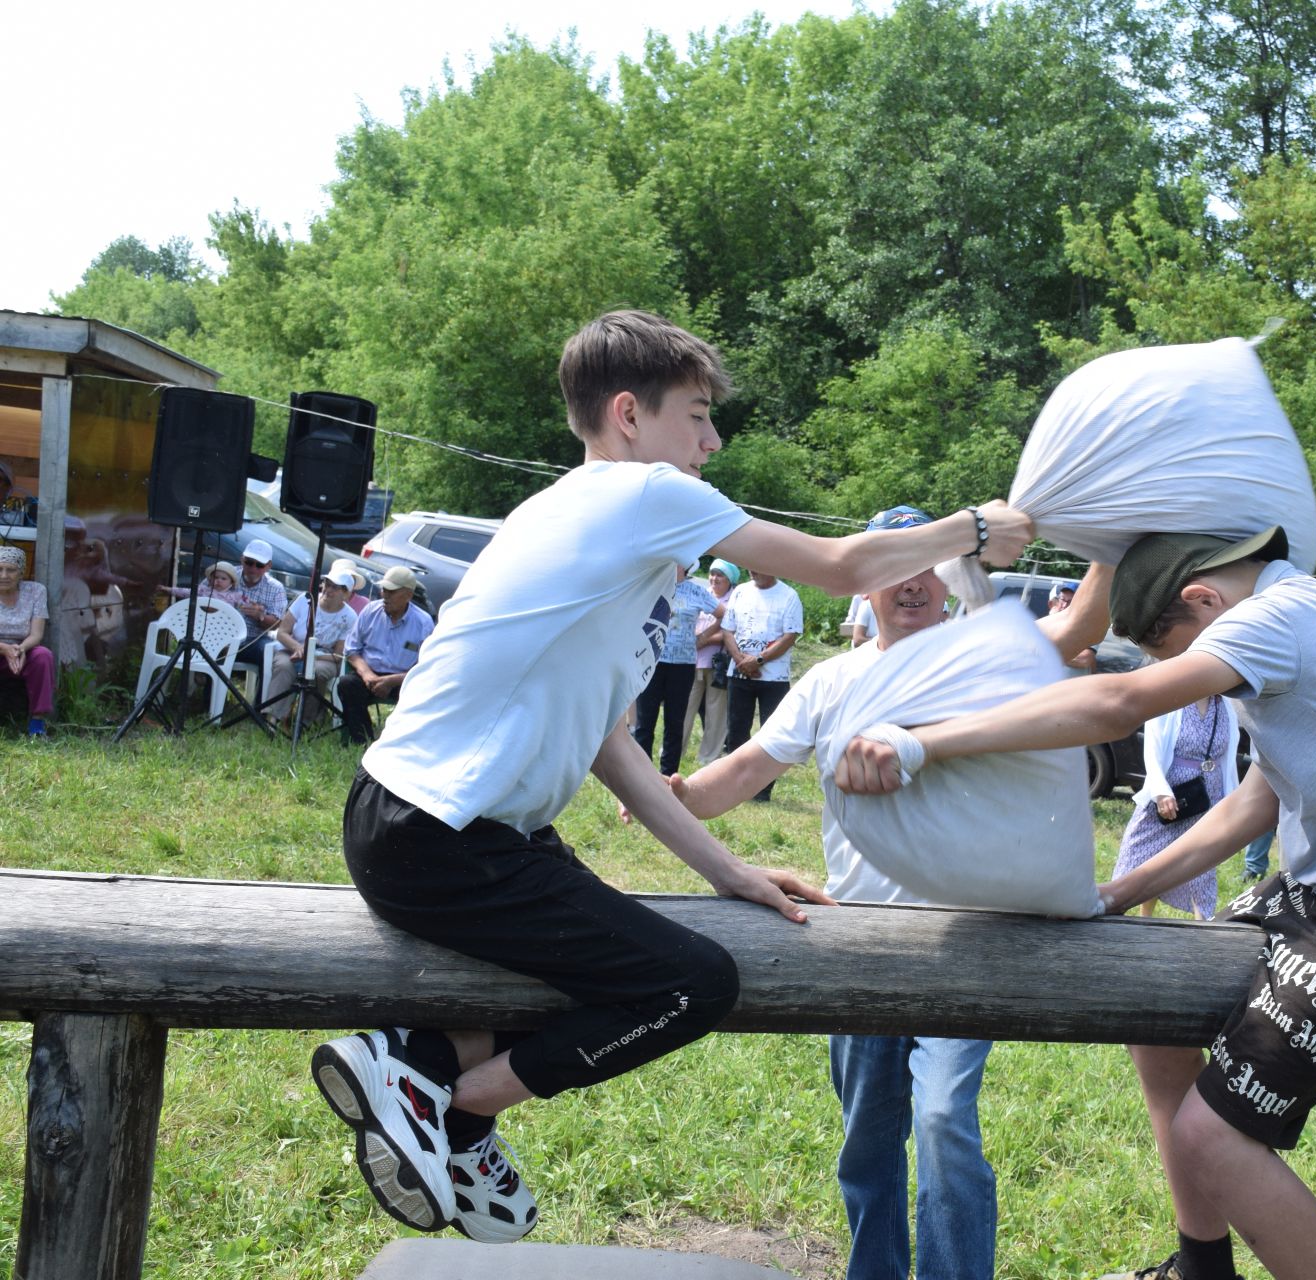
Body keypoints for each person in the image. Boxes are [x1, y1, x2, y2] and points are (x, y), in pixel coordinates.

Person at [308, 309, 1030, 1246]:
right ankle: (454, 1108)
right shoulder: (643, 493)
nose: (713, 439)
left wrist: (728, 871)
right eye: (697, 414)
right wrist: (970, 528)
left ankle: (429, 1061)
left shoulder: (575, 516)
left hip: (436, 827)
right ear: (629, 415)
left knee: (591, 959)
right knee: (692, 985)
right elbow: (840, 565)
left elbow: (613, 746)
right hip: (442, 836)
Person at [835, 527, 1316, 1280]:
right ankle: (1201, 1268)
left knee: (1210, 1138)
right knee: (1158, 1028)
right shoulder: (1312, 609)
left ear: (1202, 599)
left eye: (1178, 654)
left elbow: (1117, 700)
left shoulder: (1273, 618)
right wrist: (1118, 893)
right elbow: (1258, 799)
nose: (1188, 676)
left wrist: (923, 741)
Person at [673, 505, 1092, 1280]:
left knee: (942, 1121)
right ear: (862, 588)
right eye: (892, 568)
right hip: (857, 938)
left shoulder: (980, 671)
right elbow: (742, 771)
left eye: (926, 566)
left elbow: (1073, 648)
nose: (911, 583)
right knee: (867, 1139)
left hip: (964, 938)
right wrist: (674, 794)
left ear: (949, 578)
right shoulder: (832, 682)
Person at [1119, 695, 1240, 919]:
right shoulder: (1173, 699)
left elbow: (1228, 758)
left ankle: (1201, 925)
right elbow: (1153, 748)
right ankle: (1137, 913)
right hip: (1171, 791)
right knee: (1143, 852)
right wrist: (1160, 790)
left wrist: (1230, 801)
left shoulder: (1224, 706)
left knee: (1201, 860)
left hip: (1207, 795)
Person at [721, 567, 804, 800]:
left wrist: (758, 660)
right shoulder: (740, 592)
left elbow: (789, 637)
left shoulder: (789, 596)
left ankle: (762, 790)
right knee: (736, 730)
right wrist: (741, 661)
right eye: (749, 565)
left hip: (774, 678)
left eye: (757, 565)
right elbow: (727, 630)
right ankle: (735, 785)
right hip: (739, 674)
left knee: (771, 734)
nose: (751, 570)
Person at [632, 563, 720, 776]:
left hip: (683, 664)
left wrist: (703, 637)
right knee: (645, 721)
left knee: (675, 721)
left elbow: (724, 615)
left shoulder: (696, 590)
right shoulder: (654, 586)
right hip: (652, 659)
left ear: (686, 565)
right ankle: (642, 775)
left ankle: (668, 775)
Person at [337, 565, 435, 746]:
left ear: (408, 595)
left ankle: (402, 742)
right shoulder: (370, 611)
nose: (385, 595)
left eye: (392, 591)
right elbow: (351, 650)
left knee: (420, 693)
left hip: (404, 679)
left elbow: (427, 666)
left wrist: (392, 681)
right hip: (369, 673)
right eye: (384, 589)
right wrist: (368, 676)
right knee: (347, 685)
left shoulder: (423, 622)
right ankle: (363, 741)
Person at [265, 565, 359, 729]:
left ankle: (305, 721)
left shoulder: (350, 617)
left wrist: (311, 655)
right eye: (326, 584)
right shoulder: (306, 600)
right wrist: (297, 647)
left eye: (334, 587)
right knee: (284, 666)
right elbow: (282, 632)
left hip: (324, 657)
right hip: (293, 649)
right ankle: (272, 717)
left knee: (316, 672)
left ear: (346, 594)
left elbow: (338, 656)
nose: (327, 590)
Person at [686, 559, 737, 767]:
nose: (714, 579)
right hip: (693, 660)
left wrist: (704, 639)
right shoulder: (702, 593)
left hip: (718, 662)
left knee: (715, 710)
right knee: (685, 706)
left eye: (720, 575)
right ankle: (674, 748)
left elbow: (733, 631)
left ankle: (709, 756)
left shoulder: (735, 599)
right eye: (712, 574)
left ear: (730, 580)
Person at [0, 545, 53, 736]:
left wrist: (20, 649)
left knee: (42, 656)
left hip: (23, 649)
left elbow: (37, 634)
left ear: (21, 572)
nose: (4, 575)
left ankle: (37, 724)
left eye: (11, 570)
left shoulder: (35, 591)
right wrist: (5, 648)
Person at [232, 539, 289, 680]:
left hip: (253, 640)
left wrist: (260, 616)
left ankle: (261, 701)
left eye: (259, 565)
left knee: (269, 653)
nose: (253, 568)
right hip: (220, 635)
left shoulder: (275, 587)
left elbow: (278, 624)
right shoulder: (225, 574)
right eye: (249, 562)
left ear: (268, 566)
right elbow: (202, 598)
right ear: (242, 559)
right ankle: (208, 698)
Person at [161, 561, 247, 609]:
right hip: (201, 619)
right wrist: (169, 589)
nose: (219, 581)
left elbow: (246, 605)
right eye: (216, 577)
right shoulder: (203, 590)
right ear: (210, 580)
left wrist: (255, 608)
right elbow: (186, 592)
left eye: (223, 579)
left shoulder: (234, 596)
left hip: (221, 624)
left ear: (231, 582)